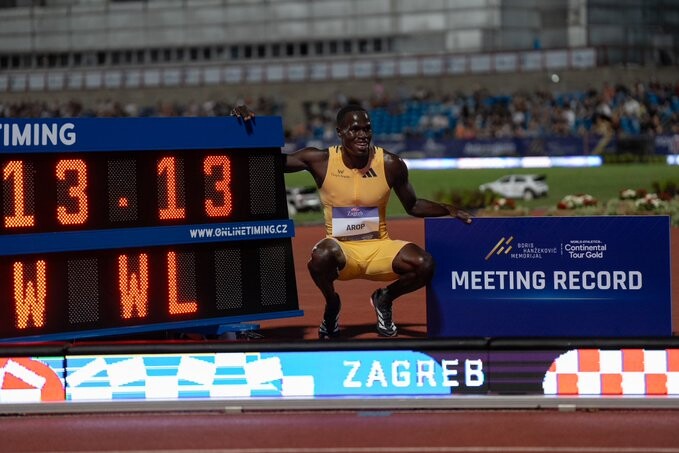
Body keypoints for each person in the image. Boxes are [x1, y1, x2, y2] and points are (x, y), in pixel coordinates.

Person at [233, 104, 472, 338]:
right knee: (320, 257)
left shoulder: (390, 164)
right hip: (341, 250)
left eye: (367, 129)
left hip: (379, 247)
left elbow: (413, 205)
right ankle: (332, 303)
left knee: (424, 263)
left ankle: (385, 298)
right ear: (340, 132)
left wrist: (448, 209)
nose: (362, 135)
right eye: (355, 129)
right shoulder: (321, 161)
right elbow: (269, 161)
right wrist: (244, 130)